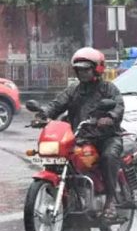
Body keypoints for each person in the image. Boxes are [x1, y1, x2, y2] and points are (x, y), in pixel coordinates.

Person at [38, 47, 127, 218]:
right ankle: (69, 199)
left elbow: (118, 106)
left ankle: (110, 201)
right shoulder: (73, 90)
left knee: (108, 157)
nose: (82, 72)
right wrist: (43, 114)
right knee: (59, 159)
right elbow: (57, 104)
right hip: (80, 137)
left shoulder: (109, 89)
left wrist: (109, 117)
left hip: (106, 137)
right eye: (79, 69)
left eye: (86, 69)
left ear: (97, 68)